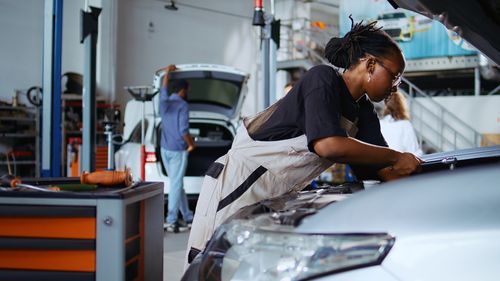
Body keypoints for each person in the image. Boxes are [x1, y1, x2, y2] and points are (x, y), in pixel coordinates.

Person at [186, 18, 422, 263]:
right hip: (239, 183)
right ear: (371, 64)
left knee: (251, 269)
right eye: (394, 76)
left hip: (277, 196)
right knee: (210, 263)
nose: (396, 87)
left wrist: (422, 177)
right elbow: (329, 145)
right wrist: (397, 156)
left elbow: (380, 170)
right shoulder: (322, 79)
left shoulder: (363, 111)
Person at [160, 64, 195, 233]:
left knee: (176, 183)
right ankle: (171, 219)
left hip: (164, 149)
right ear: (183, 90)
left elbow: (163, 88)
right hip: (177, 151)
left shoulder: (164, 102)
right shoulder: (182, 105)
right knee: (175, 184)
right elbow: (183, 131)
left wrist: (167, 72)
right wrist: (191, 144)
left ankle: (187, 216)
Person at [380, 91, 423, 156]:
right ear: (401, 105)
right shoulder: (405, 124)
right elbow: (413, 152)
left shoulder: (380, 124)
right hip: (399, 163)